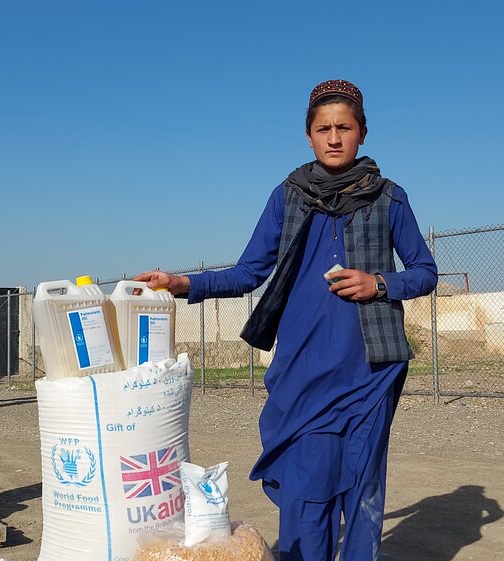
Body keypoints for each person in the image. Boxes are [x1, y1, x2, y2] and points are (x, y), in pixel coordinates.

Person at [133, 80, 437, 561]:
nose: (334, 137)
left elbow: (424, 271)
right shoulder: (289, 196)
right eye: (324, 128)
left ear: (362, 132)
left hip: (370, 371)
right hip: (302, 371)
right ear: (309, 136)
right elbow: (249, 271)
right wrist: (183, 283)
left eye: (344, 127)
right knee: (305, 487)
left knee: (362, 490)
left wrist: (379, 284)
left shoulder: (389, 198)